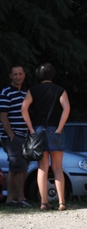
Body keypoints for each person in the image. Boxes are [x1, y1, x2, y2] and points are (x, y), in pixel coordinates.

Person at [21, 63, 70, 211]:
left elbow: (24, 108)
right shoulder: (60, 90)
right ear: (52, 75)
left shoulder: (33, 90)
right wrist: (60, 128)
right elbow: (66, 108)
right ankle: (61, 202)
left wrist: (31, 129)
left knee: (42, 167)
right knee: (57, 168)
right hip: (55, 130)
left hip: (38, 131)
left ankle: (43, 202)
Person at [0, 65, 31, 208]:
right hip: (13, 136)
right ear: (10, 76)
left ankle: (10, 199)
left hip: (23, 135)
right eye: (15, 74)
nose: (18, 77)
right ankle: (21, 198)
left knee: (15, 167)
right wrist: (11, 135)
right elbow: (3, 116)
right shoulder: (6, 92)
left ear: (24, 75)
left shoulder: (24, 93)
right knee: (19, 167)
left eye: (20, 74)